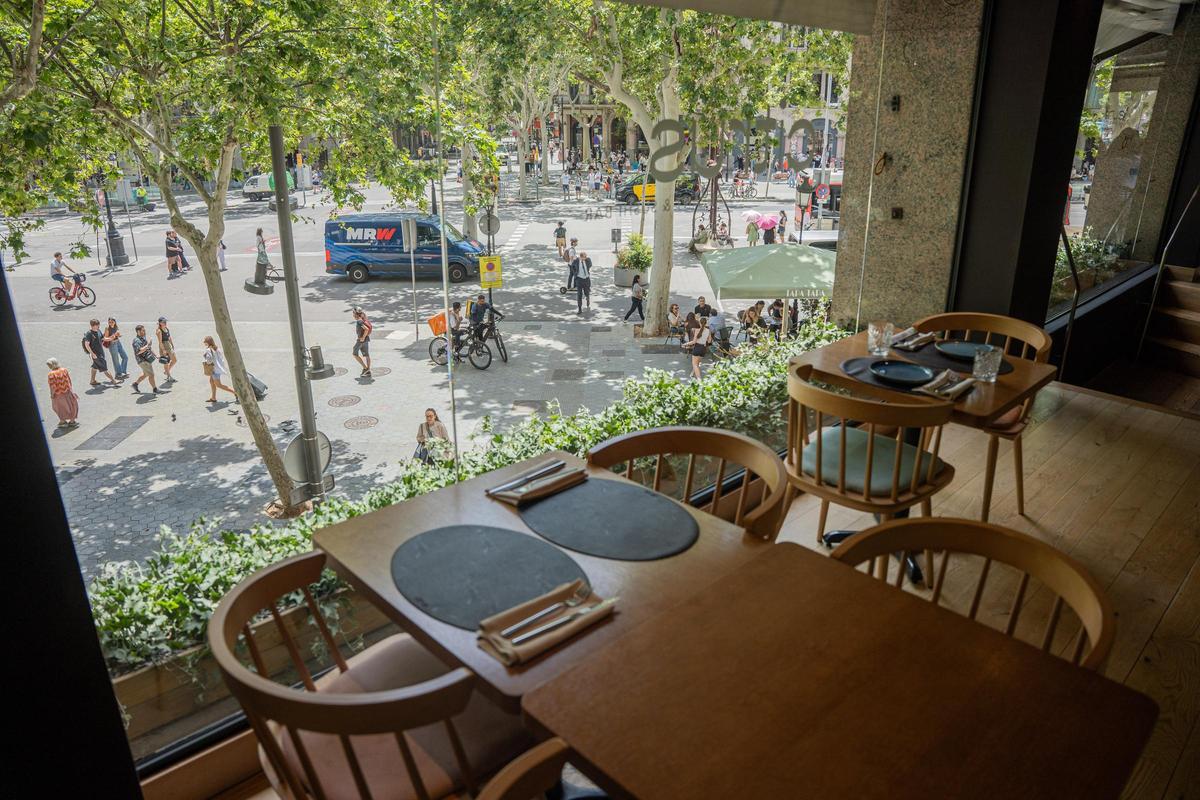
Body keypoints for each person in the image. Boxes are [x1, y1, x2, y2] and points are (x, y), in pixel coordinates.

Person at [82, 319, 117, 386]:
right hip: (96, 355)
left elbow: (103, 338)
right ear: (93, 326)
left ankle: (92, 381)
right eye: (97, 325)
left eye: (98, 325)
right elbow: (87, 344)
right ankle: (114, 381)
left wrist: (111, 338)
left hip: (100, 352)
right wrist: (92, 354)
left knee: (95, 367)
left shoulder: (98, 331)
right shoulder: (89, 334)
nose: (98, 326)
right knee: (105, 369)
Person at [202, 336, 237, 403]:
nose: (204, 343)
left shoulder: (208, 350)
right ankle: (213, 398)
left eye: (205, 341)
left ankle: (235, 393)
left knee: (219, 385)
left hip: (214, 370)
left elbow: (209, 361)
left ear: (208, 342)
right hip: (218, 368)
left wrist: (206, 360)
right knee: (212, 382)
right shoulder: (216, 348)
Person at [46, 358, 79, 427]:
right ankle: (72, 421)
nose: (48, 366)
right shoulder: (64, 370)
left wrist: (52, 395)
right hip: (68, 391)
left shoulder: (51, 374)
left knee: (59, 408)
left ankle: (63, 421)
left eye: (49, 365)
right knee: (71, 405)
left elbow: (53, 387)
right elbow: (69, 380)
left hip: (58, 394)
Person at [130, 324, 160, 394]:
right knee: (151, 375)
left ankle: (135, 384)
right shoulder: (136, 340)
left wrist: (156, 355)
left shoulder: (143, 338)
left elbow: (149, 348)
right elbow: (139, 351)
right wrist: (147, 345)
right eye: (143, 331)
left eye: (144, 330)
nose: (145, 332)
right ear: (138, 331)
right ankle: (155, 389)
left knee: (145, 374)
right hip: (142, 360)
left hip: (146, 359)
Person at [351, 306, 372, 376]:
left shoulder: (359, 321)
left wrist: (362, 337)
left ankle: (365, 368)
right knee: (367, 355)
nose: (352, 314)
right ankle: (368, 371)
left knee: (354, 353)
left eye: (353, 313)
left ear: (355, 313)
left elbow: (366, 329)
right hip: (366, 339)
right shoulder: (363, 318)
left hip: (361, 341)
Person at [156, 316, 176, 382]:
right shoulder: (159, 331)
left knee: (174, 360)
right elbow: (160, 342)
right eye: (163, 322)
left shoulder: (166, 328)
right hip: (163, 346)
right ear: (160, 323)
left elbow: (169, 337)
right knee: (166, 362)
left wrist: (172, 345)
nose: (165, 322)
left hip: (168, 345)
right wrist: (163, 350)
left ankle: (166, 372)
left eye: (165, 321)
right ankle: (168, 376)